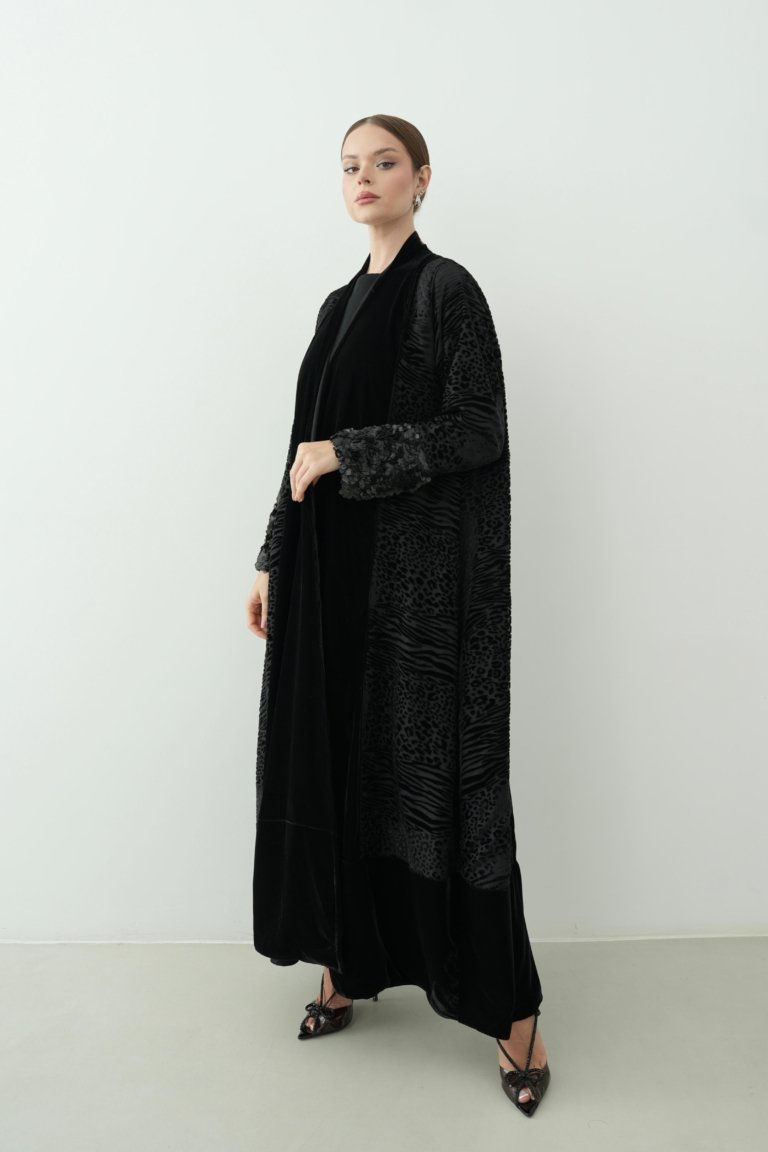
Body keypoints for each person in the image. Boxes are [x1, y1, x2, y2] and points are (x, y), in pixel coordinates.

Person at [245, 114, 551, 1117]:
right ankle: (347, 964)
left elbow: (477, 431)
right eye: (350, 165)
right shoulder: (337, 307)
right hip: (325, 583)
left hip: (415, 600)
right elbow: (300, 444)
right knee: (334, 767)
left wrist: (351, 453)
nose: (364, 177)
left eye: (384, 162)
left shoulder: (445, 289)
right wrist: (270, 559)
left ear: (421, 178)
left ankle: (512, 1016)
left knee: (441, 790)